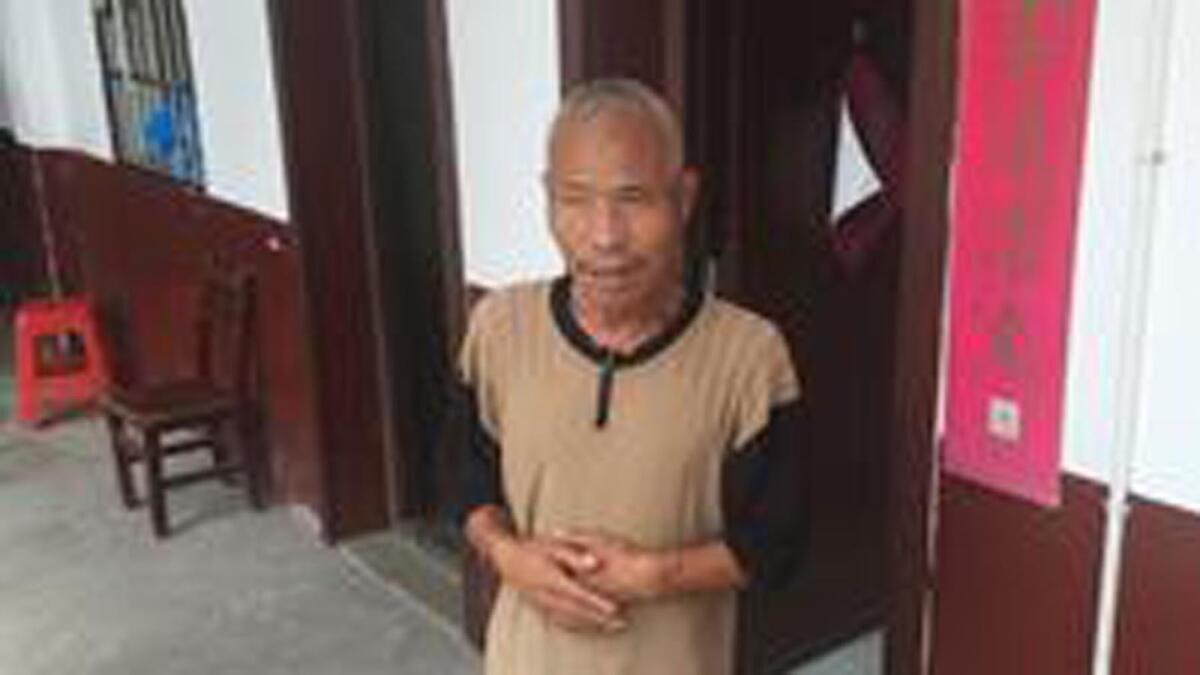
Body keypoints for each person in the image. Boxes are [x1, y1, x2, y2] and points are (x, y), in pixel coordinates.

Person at [457, 78, 807, 675]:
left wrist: (655, 575)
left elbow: (775, 540)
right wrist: (506, 553)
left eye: (634, 199)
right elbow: (464, 471)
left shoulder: (750, 355)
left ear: (684, 198)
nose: (605, 236)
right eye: (575, 199)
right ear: (548, 200)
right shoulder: (499, 328)